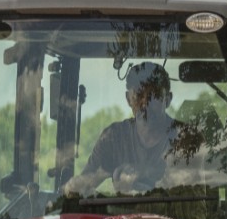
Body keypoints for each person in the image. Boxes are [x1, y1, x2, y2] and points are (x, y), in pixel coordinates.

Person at [64, 62, 181, 195]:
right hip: (120, 215)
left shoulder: (186, 138)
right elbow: (79, 189)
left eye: (153, 96)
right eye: (138, 95)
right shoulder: (113, 139)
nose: (144, 103)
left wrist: (144, 172)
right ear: (128, 99)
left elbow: (196, 189)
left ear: (168, 99)